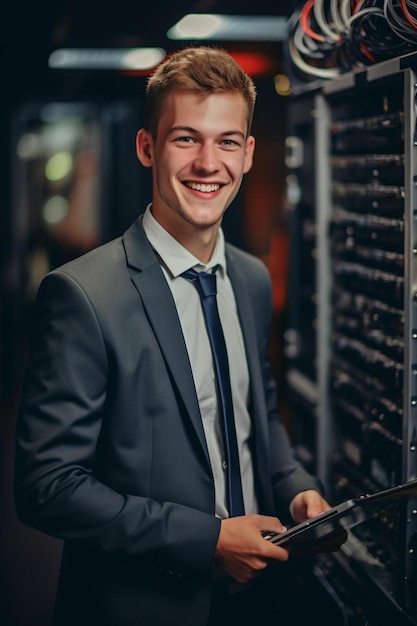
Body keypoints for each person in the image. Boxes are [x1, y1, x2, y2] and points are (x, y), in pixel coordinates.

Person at [15, 46, 338, 626]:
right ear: (148, 148)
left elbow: (255, 415)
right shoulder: (83, 295)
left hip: (259, 597)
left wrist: (296, 487)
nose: (208, 163)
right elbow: (47, 485)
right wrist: (207, 540)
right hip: (141, 606)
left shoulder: (252, 278)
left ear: (248, 154)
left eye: (227, 141)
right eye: (186, 139)